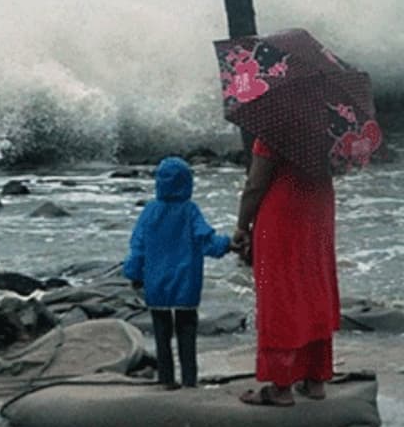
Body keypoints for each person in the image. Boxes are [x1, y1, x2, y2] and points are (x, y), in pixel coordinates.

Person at [232, 138, 339, 406]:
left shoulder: (274, 130)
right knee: (314, 287)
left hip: (282, 214)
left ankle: (281, 386)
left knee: (280, 295)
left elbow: (256, 185)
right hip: (318, 211)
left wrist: (242, 225)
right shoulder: (327, 126)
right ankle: (316, 379)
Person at [124, 156, 232, 388]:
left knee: (162, 335)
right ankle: (189, 381)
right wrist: (229, 244)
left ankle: (166, 380)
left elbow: (138, 246)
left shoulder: (150, 211)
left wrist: (134, 274)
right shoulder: (190, 211)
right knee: (187, 333)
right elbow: (207, 242)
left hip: (157, 285)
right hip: (186, 284)